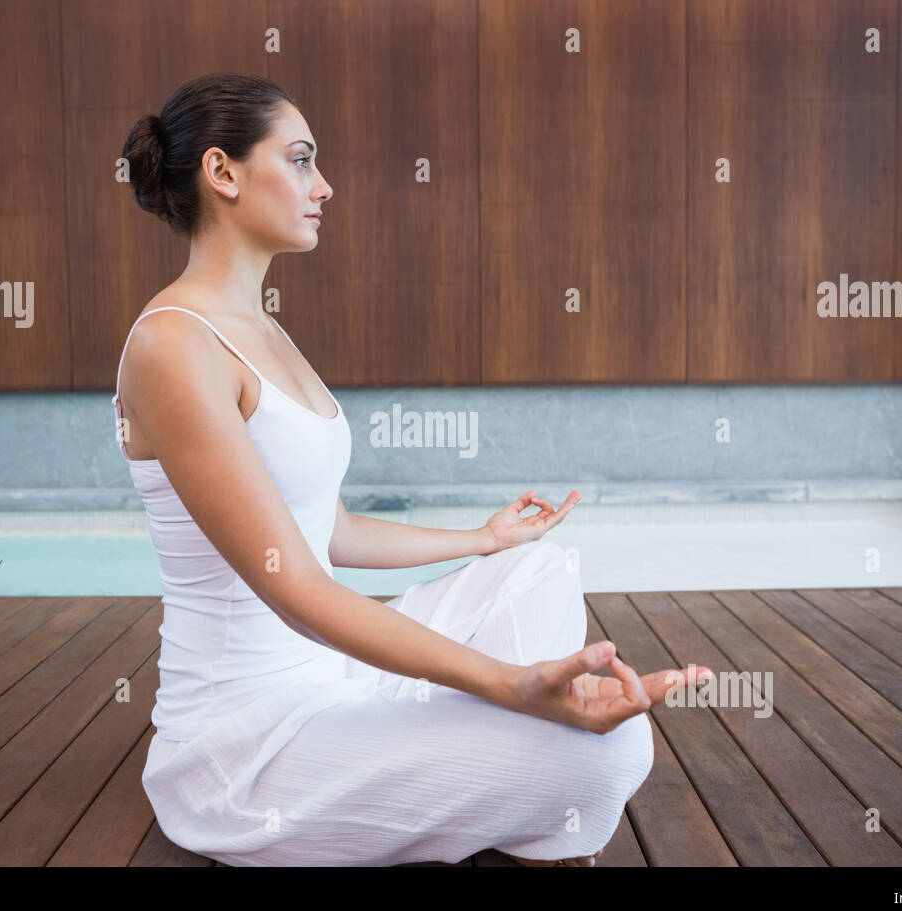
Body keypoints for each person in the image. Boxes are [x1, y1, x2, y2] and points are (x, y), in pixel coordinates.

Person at [114, 72, 711, 866]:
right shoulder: (171, 347)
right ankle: (515, 728)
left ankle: (498, 738)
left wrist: (480, 539)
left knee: (537, 567)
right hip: (253, 742)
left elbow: (328, 529)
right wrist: (509, 682)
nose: (323, 185)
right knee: (613, 756)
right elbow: (294, 586)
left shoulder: (265, 332)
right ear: (222, 172)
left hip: (331, 671)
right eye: (299, 160)